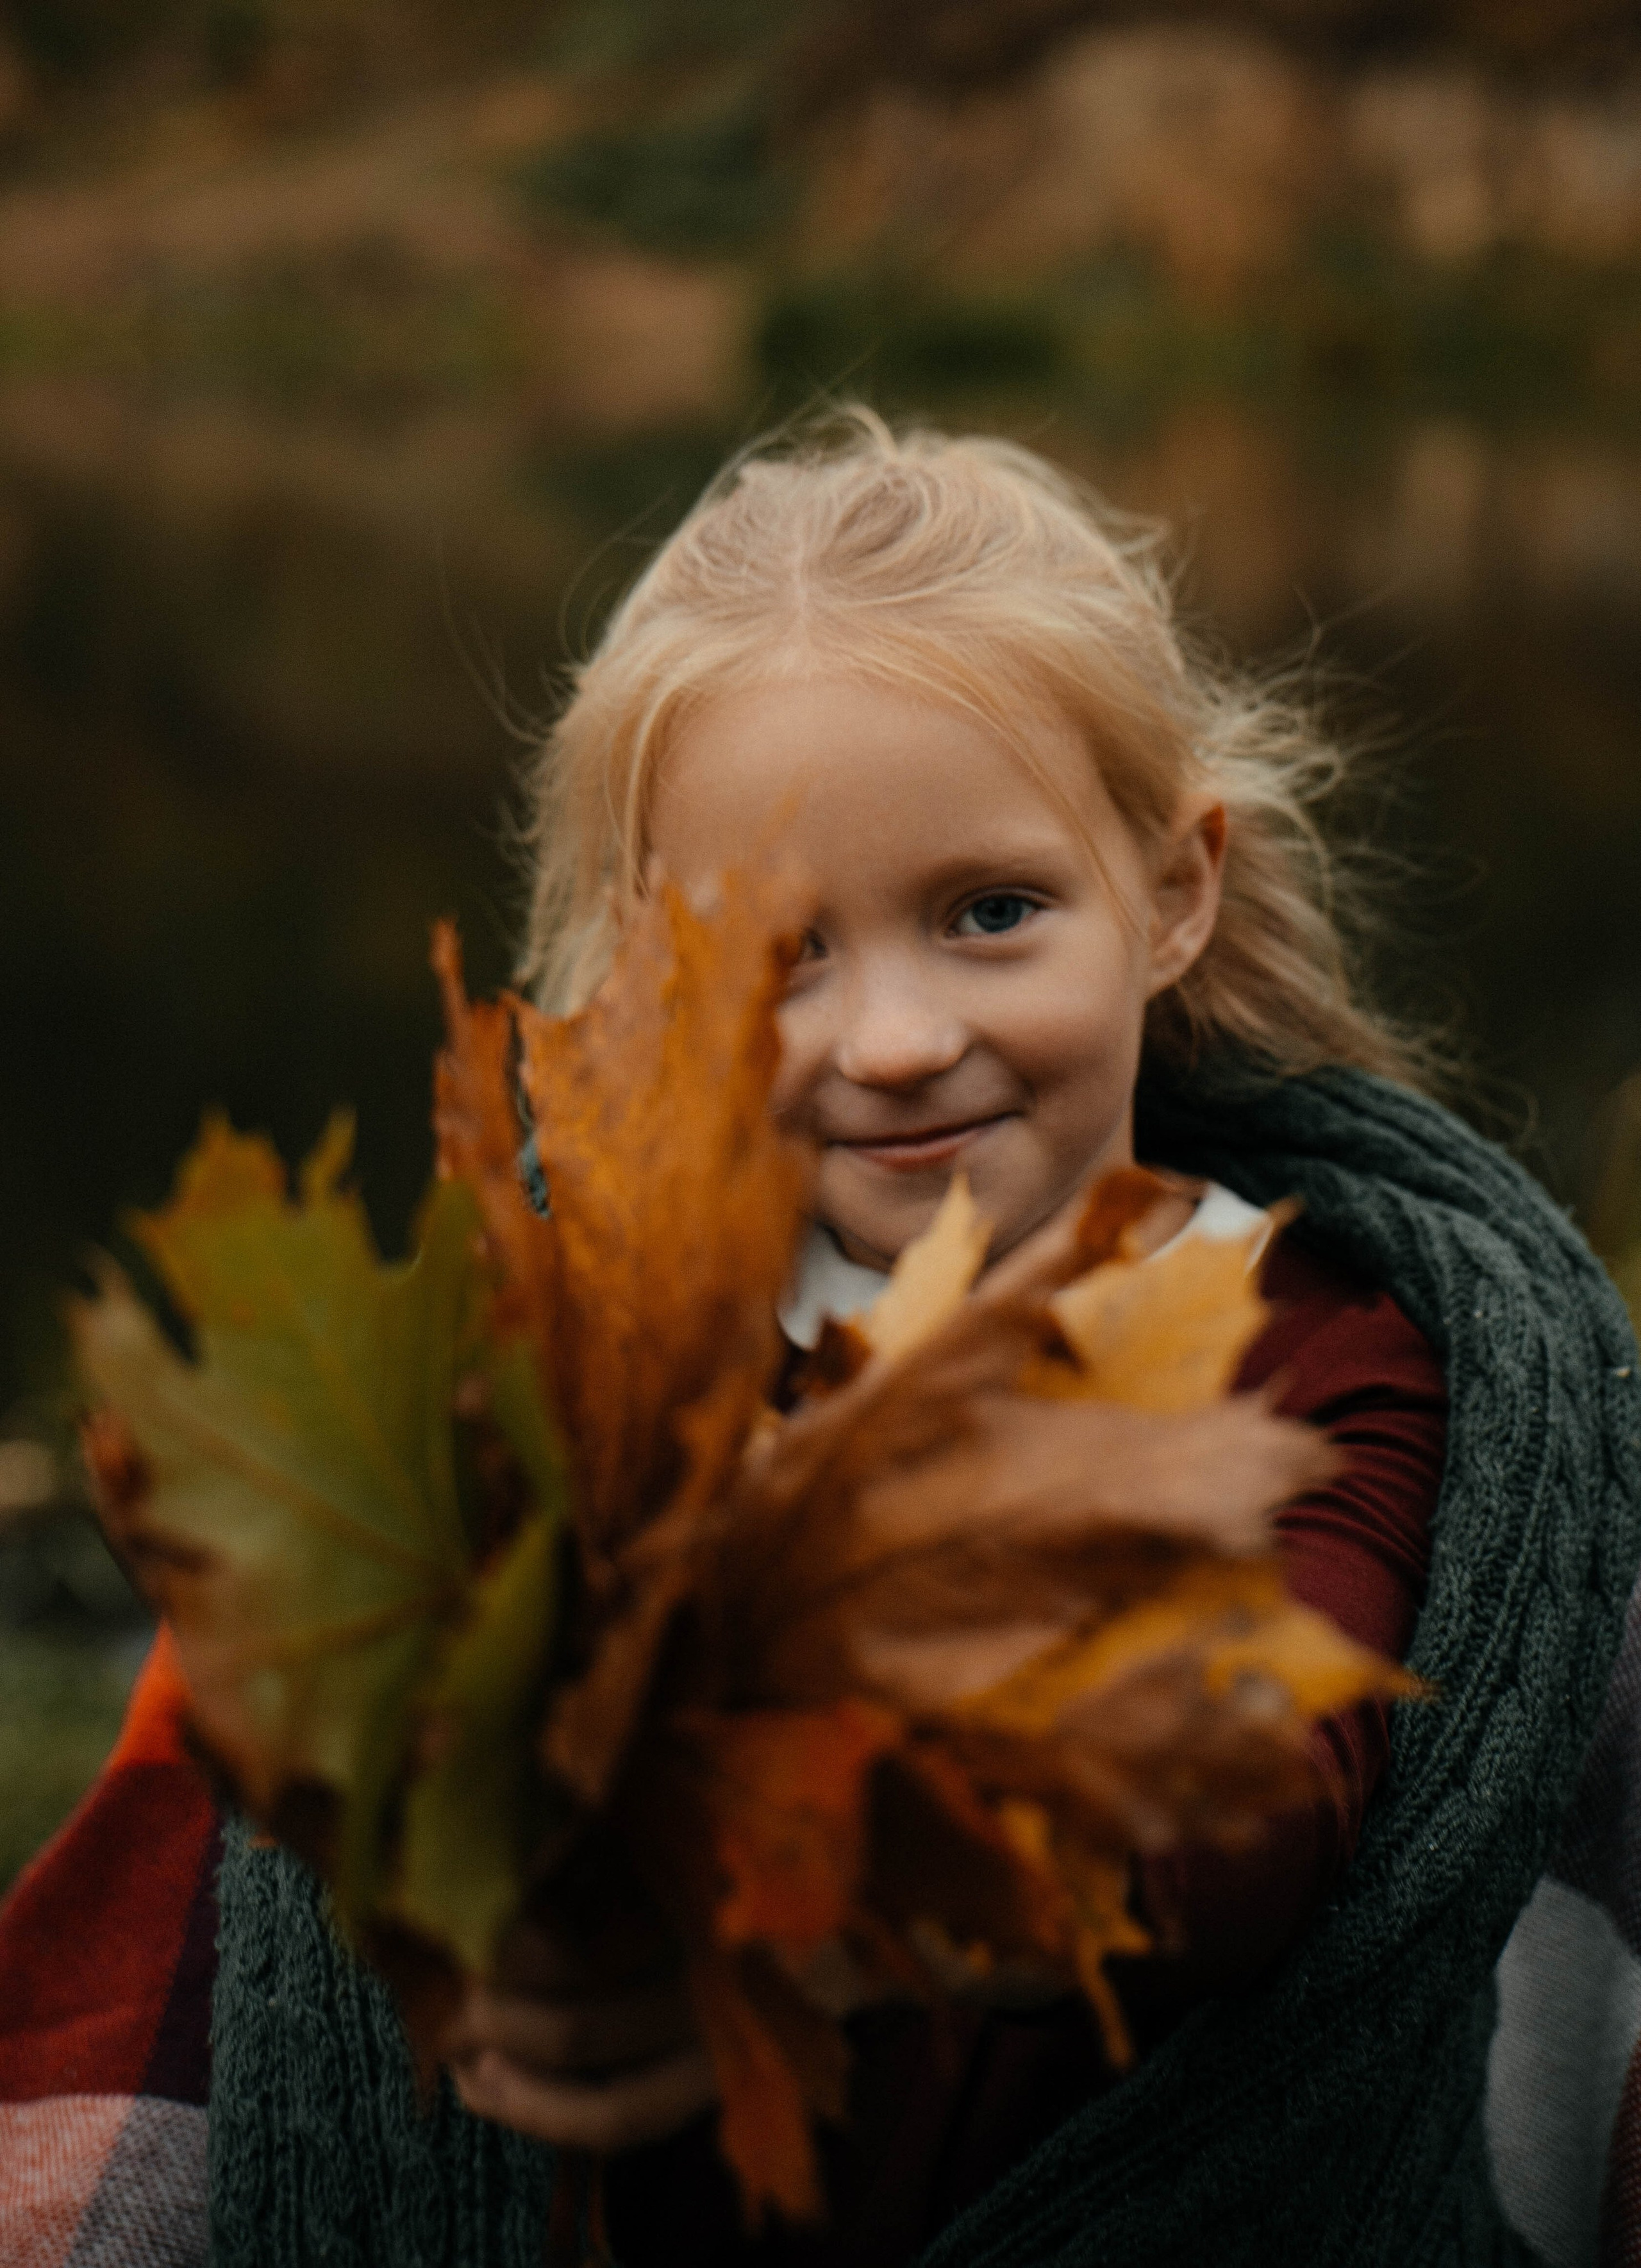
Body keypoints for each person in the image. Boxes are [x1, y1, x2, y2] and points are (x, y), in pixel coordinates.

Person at [4, 410, 1638, 2268]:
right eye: (786, 953)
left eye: (992, 913)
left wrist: (820, 1909)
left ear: (1171, 893)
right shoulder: (592, 1362)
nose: (891, 1040)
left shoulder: (1318, 1351)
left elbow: (1251, 1808)